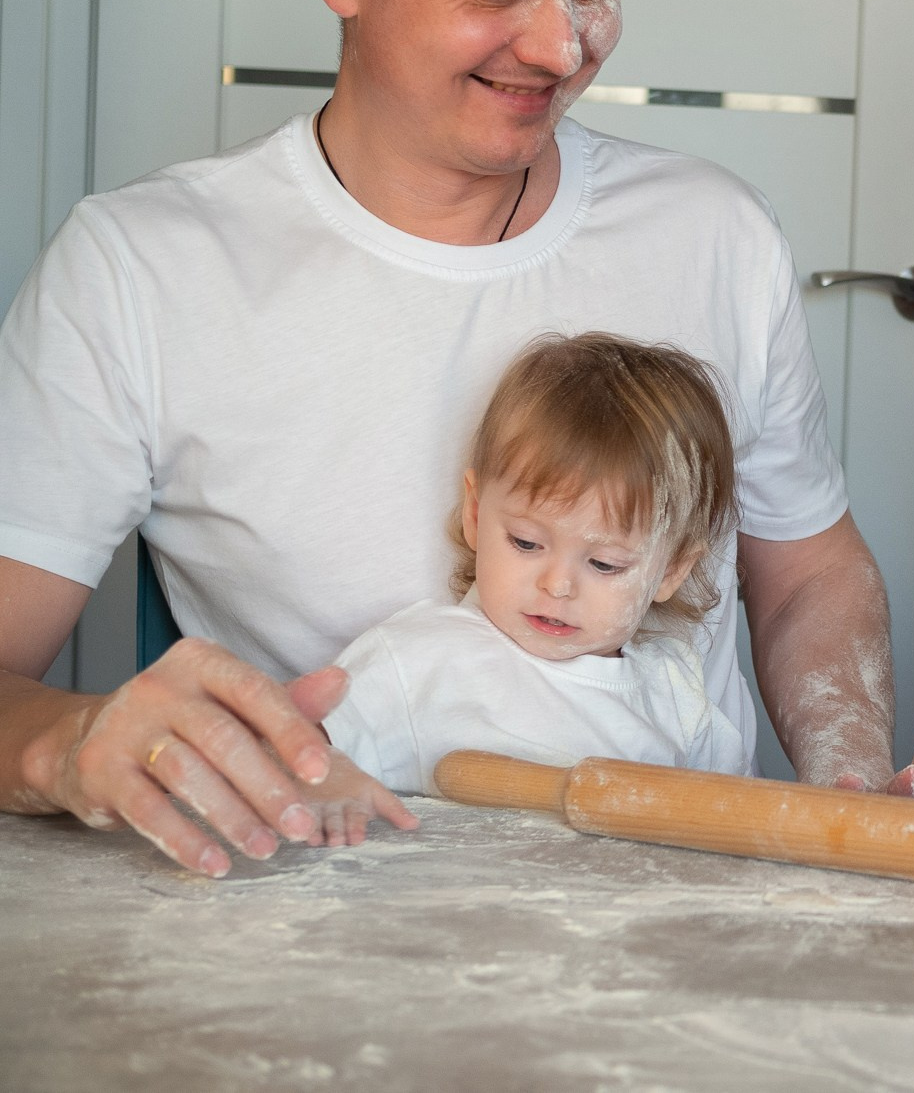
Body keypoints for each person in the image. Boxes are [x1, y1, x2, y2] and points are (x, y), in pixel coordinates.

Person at [0, 0, 914, 882]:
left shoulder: (714, 233)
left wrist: (846, 778)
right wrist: (74, 745)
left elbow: (806, 568)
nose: (559, 44)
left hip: (680, 917)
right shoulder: (141, 269)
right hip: (332, 923)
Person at [310, 334, 751, 818]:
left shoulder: (672, 694)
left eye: (604, 563)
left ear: (670, 571)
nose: (557, 585)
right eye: (526, 543)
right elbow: (296, 753)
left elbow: (728, 820)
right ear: (476, 515)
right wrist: (324, 776)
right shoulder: (416, 661)